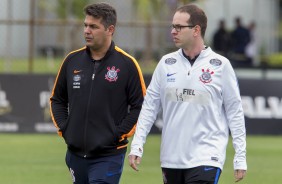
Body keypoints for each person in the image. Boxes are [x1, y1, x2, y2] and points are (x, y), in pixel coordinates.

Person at [128, 4, 247, 184]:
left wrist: (240, 156)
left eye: (179, 27)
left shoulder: (221, 65)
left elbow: (235, 112)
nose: (173, 31)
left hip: (207, 156)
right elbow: (150, 107)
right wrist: (137, 145)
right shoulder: (165, 63)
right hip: (171, 158)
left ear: (196, 30)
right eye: (172, 26)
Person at [50, 3, 146, 184]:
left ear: (110, 29)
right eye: (85, 25)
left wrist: (117, 134)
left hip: (109, 155)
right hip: (75, 154)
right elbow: (57, 99)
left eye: (93, 26)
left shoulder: (127, 64)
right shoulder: (72, 60)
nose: (87, 30)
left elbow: (140, 106)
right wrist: (65, 128)